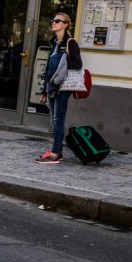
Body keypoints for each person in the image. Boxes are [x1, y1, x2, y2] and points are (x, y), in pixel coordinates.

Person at [36, 12, 82, 164]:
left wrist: (63, 63)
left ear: (65, 24)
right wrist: (44, 90)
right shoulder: (53, 43)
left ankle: (56, 153)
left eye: (57, 20)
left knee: (58, 119)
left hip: (64, 87)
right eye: (53, 20)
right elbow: (49, 68)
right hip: (52, 86)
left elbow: (78, 64)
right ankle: (57, 151)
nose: (54, 23)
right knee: (55, 120)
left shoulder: (70, 43)